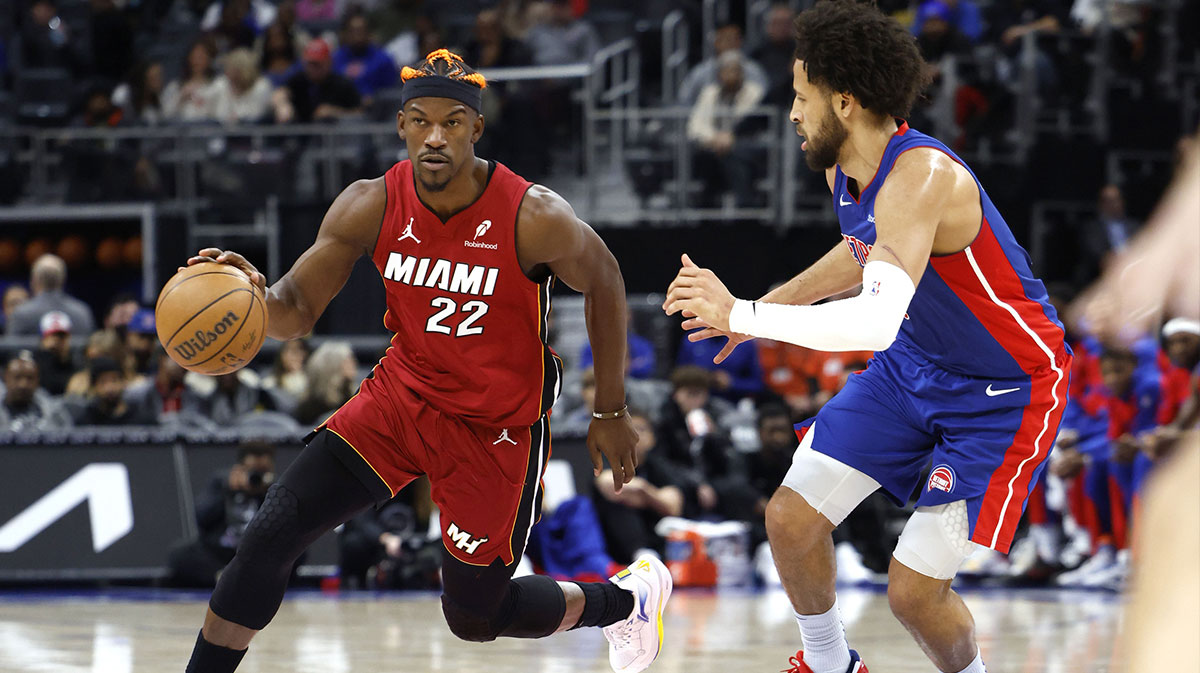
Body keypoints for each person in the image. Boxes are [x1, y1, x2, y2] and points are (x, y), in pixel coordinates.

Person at [181, 50, 671, 673]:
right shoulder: (370, 203)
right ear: (402, 125)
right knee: (273, 530)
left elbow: (606, 281)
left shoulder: (531, 214)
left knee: (475, 617)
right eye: (421, 120)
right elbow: (297, 307)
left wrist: (610, 407)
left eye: (452, 121)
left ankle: (626, 601)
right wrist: (253, 296)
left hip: (494, 427)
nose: (435, 136)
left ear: (476, 128)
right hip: (400, 398)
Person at [663, 4, 1071, 672]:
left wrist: (743, 314)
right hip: (913, 367)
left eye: (801, 97)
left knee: (913, 594)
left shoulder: (923, 176)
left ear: (844, 101)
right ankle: (831, 665)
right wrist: (771, 302)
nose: (792, 113)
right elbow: (865, 249)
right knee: (790, 520)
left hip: (1005, 388)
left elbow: (875, 319)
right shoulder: (841, 168)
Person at [169, 444, 278, 587]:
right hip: (220, 553)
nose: (255, 476)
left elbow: (280, 526)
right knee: (180, 554)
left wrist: (265, 493)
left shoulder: (276, 488)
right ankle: (224, 576)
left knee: (297, 554)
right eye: (252, 471)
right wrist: (229, 491)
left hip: (257, 554)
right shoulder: (222, 482)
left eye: (262, 471)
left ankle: (243, 577)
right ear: (240, 468)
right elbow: (202, 519)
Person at [272, 38, 363, 123]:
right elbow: (281, 92)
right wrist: (282, 104)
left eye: (317, 64)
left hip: (334, 136)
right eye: (309, 64)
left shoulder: (342, 84)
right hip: (303, 136)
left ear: (328, 62)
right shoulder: (299, 79)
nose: (312, 68)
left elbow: (360, 112)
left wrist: (335, 112)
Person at [5, 254, 95, 337]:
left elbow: (10, 352)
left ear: (34, 281)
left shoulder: (21, 314)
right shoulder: (82, 313)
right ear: (63, 280)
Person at [332, 9, 399, 103]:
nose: (357, 36)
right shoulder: (335, 59)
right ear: (345, 33)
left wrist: (375, 99)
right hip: (341, 109)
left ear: (369, 33)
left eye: (360, 31)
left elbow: (391, 93)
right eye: (352, 31)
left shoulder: (384, 60)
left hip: (374, 112)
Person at [0, 351, 73, 432]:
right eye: (17, 377)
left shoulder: (54, 413)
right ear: (5, 378)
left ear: (38, 381)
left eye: (29, 378)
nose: (23, 384)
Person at [211, 48, 273, 125]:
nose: (227, 72)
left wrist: (237, 120)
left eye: (233, 69)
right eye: (227, 68)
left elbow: (255, 117)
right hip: (222, 133)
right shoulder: (222, 84)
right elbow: (218, 115)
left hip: (253, 134)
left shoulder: (261, 86)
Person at [32, 310, 78, 396]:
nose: (57, 341)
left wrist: (62, 356)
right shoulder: (33, 363)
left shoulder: (74, 363)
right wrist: (48, 354)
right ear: (43, 338)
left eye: (61, 336)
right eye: (52, 336)